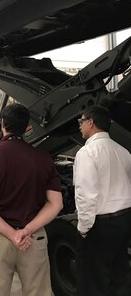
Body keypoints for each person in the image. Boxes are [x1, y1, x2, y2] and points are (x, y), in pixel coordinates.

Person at [0, 103, 63, 296]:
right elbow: (56, 203)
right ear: (27, 127)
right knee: (38, 291)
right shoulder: (44, 159)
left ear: (2, 124)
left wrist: (11, 234)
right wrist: (27, 230)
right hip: (33, 237)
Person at [74, 105, 131, 296]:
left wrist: (83, 228)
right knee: (119, 276)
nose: (80, 126)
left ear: (91, 122)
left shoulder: (87, 152)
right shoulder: (123, 151)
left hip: (100, 225)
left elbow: (86, 195)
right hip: (124, 220)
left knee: (93, 281)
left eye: (82, 122)